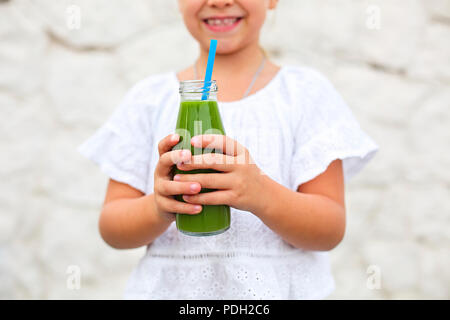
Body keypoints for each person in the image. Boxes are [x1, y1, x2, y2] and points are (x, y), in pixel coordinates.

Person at [79, 0, 379, 299]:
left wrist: (261, 193)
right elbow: (112, 227)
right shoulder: (149, 101)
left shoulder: (306, 96)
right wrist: (158, 206)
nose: (219, 1)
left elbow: (329, 229)